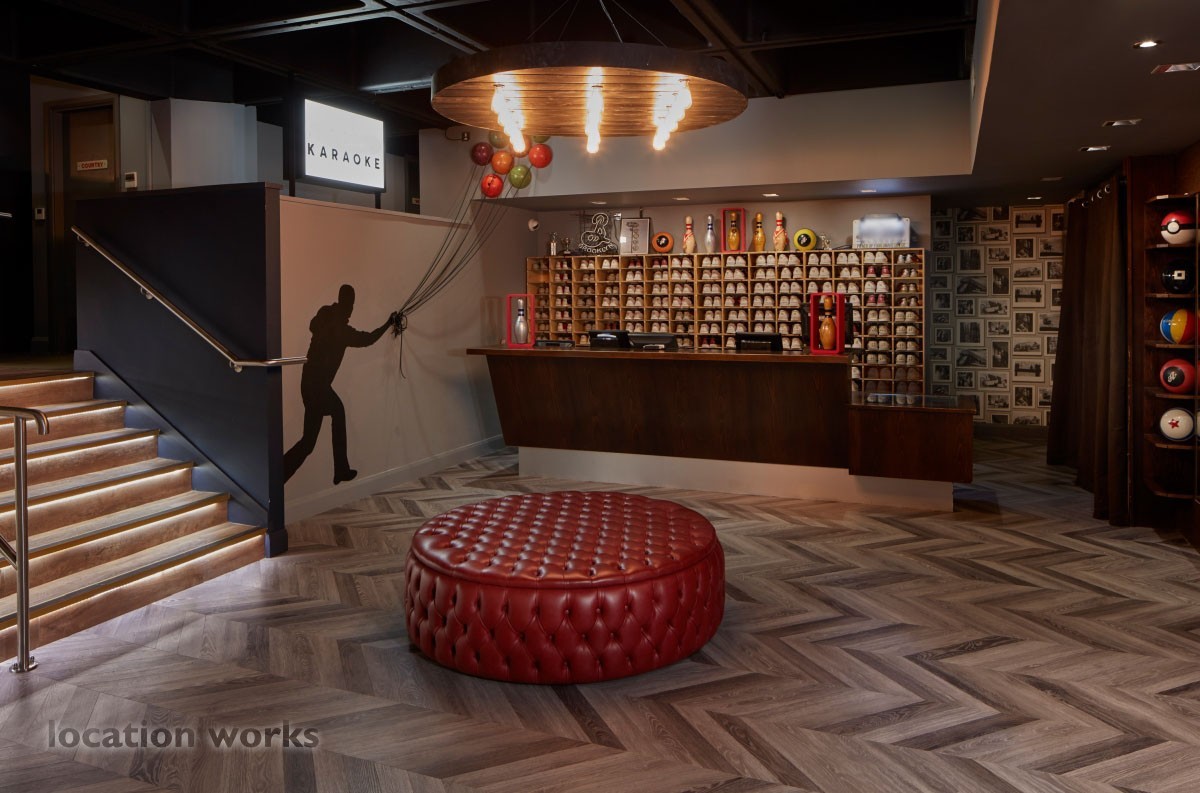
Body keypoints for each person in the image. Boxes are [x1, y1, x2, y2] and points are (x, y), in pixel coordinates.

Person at [284, 284, 393, 484]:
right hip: (318, 386)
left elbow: (312, 325)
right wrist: (388, 323)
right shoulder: (342, 330)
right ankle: (340, 470)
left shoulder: (325, 313)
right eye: (350, 304)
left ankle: (279, 474)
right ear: (347, 304)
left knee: (308, 442)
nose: (351, 309)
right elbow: (368, 339)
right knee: (337, 413)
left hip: (308, 382)